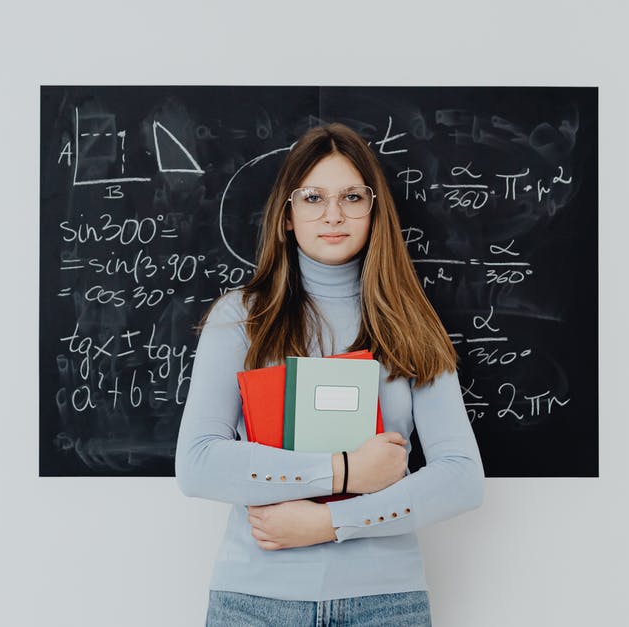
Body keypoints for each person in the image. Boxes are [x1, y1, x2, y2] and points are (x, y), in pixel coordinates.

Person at [175, 123, 484, 626]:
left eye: (352, 196)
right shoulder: (239, 318)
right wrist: (344, 471)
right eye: (314, 196)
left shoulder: (410, 320)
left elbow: (463, 478)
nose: (333, 214)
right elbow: (197, 464)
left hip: (386, 603)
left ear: (374, 210)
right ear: (288, 215)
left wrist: (330, 523)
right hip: (256, 603)